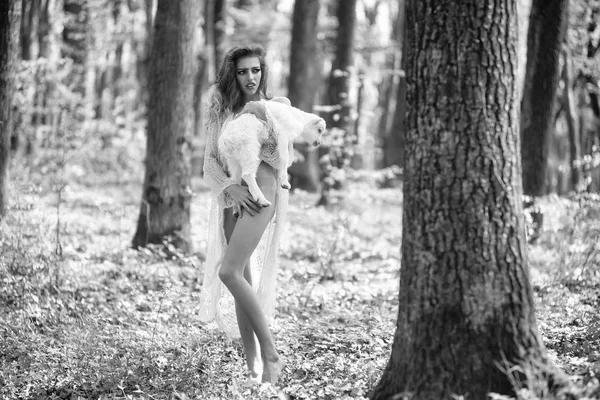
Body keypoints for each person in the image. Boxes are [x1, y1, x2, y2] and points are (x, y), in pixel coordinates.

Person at [198, 43, 289, 384]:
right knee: (242, 278)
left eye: (256, 70)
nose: (251, 77)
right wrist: (228, 189)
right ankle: (253, 367)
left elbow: (280, 157)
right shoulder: (220, 112)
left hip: (260, 193)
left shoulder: (272, 107)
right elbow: (208, 162)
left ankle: (270, 352)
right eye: (243, 71)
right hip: (229, 199)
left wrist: (264, 118)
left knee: (229, 272)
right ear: (231, 75)